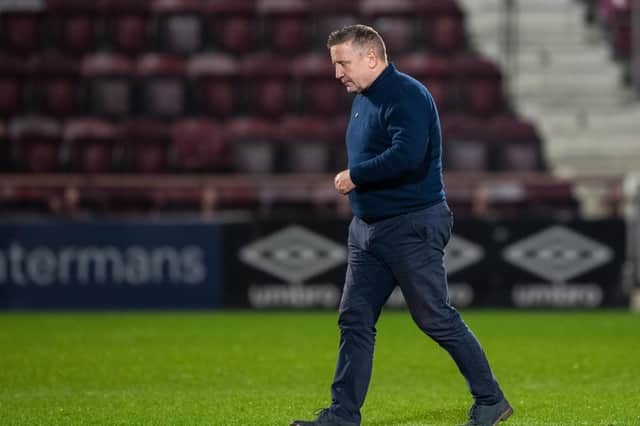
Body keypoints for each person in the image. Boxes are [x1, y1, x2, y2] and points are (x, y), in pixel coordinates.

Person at [290, 25, 512, 426]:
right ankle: (342, 415)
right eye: (335, 64)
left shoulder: (406, 95)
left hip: (411, 225)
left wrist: (355, 176)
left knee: (434, 318)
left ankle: (491, 399)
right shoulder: (364, 98)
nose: (337, 72)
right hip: (368, 230)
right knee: (354, 319)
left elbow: (407, 156)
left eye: (343, 63)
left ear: (371, 58)